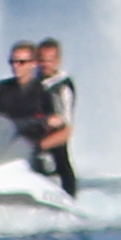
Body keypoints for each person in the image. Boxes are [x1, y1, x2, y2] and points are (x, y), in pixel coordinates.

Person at [36, 37, 78, 197]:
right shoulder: (31, 78)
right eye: (42, 60)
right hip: (32, 129)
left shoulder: (63, 86)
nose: (45, 64)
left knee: (60, 157)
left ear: (58, 61)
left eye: (50, 61)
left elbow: (66, 121)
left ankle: (69, 197)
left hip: (55, 134)